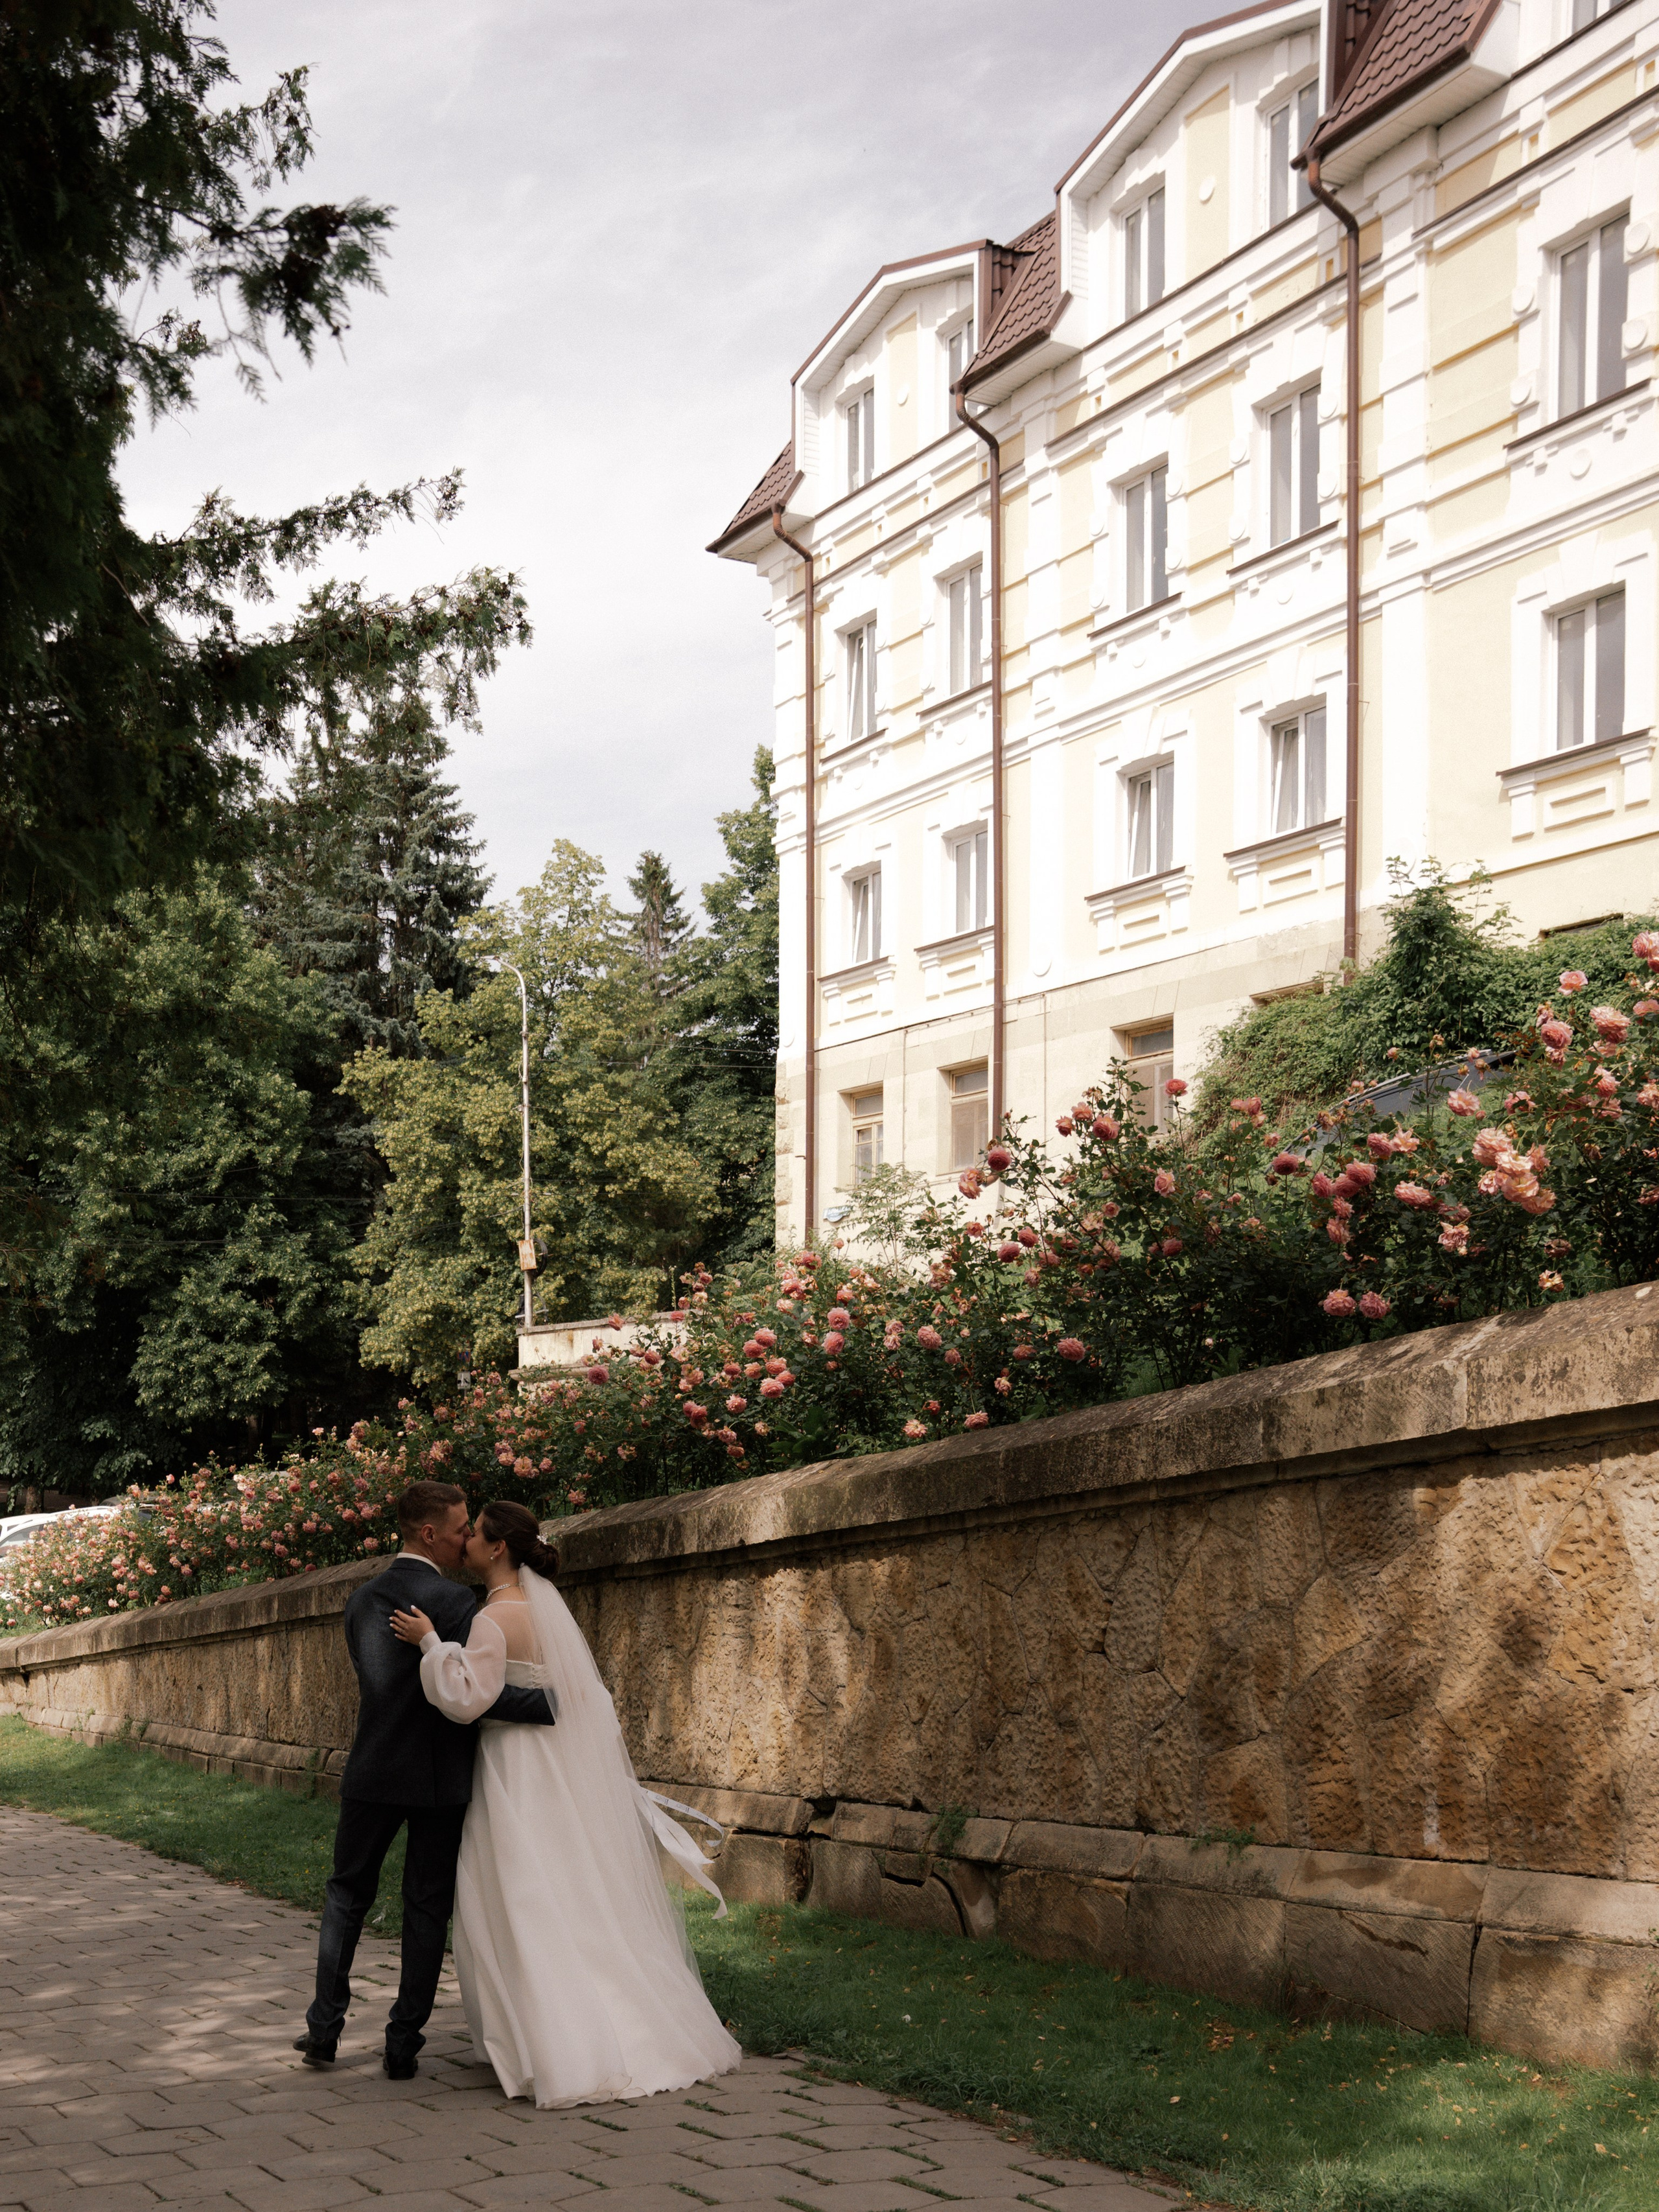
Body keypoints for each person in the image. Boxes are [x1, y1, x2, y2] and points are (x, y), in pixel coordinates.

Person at [389, 1496, 742, 2106]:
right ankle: (615, 2021)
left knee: (516, 1890)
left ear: (498, 1547)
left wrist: (429, 1644)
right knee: (570, 1884)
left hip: (512, 1770)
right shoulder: (546, 1612)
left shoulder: (493, 1618)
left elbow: (467, 1696)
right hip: (555, 1768)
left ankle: (550, 2040)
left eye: (474, 1533)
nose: (466, 1540)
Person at [294, 1480, 559, 2078]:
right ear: (430, 1532)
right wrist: (554, 1705)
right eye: (462, 1526)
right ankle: (402, 2044)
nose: (470, 1535)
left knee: (345, 1895)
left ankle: (323, 2029)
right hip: (439, 1777)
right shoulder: (458, 1603)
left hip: (372, 1770)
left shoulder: (361, 1600)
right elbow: (476, 1694)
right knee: (425, 1908)